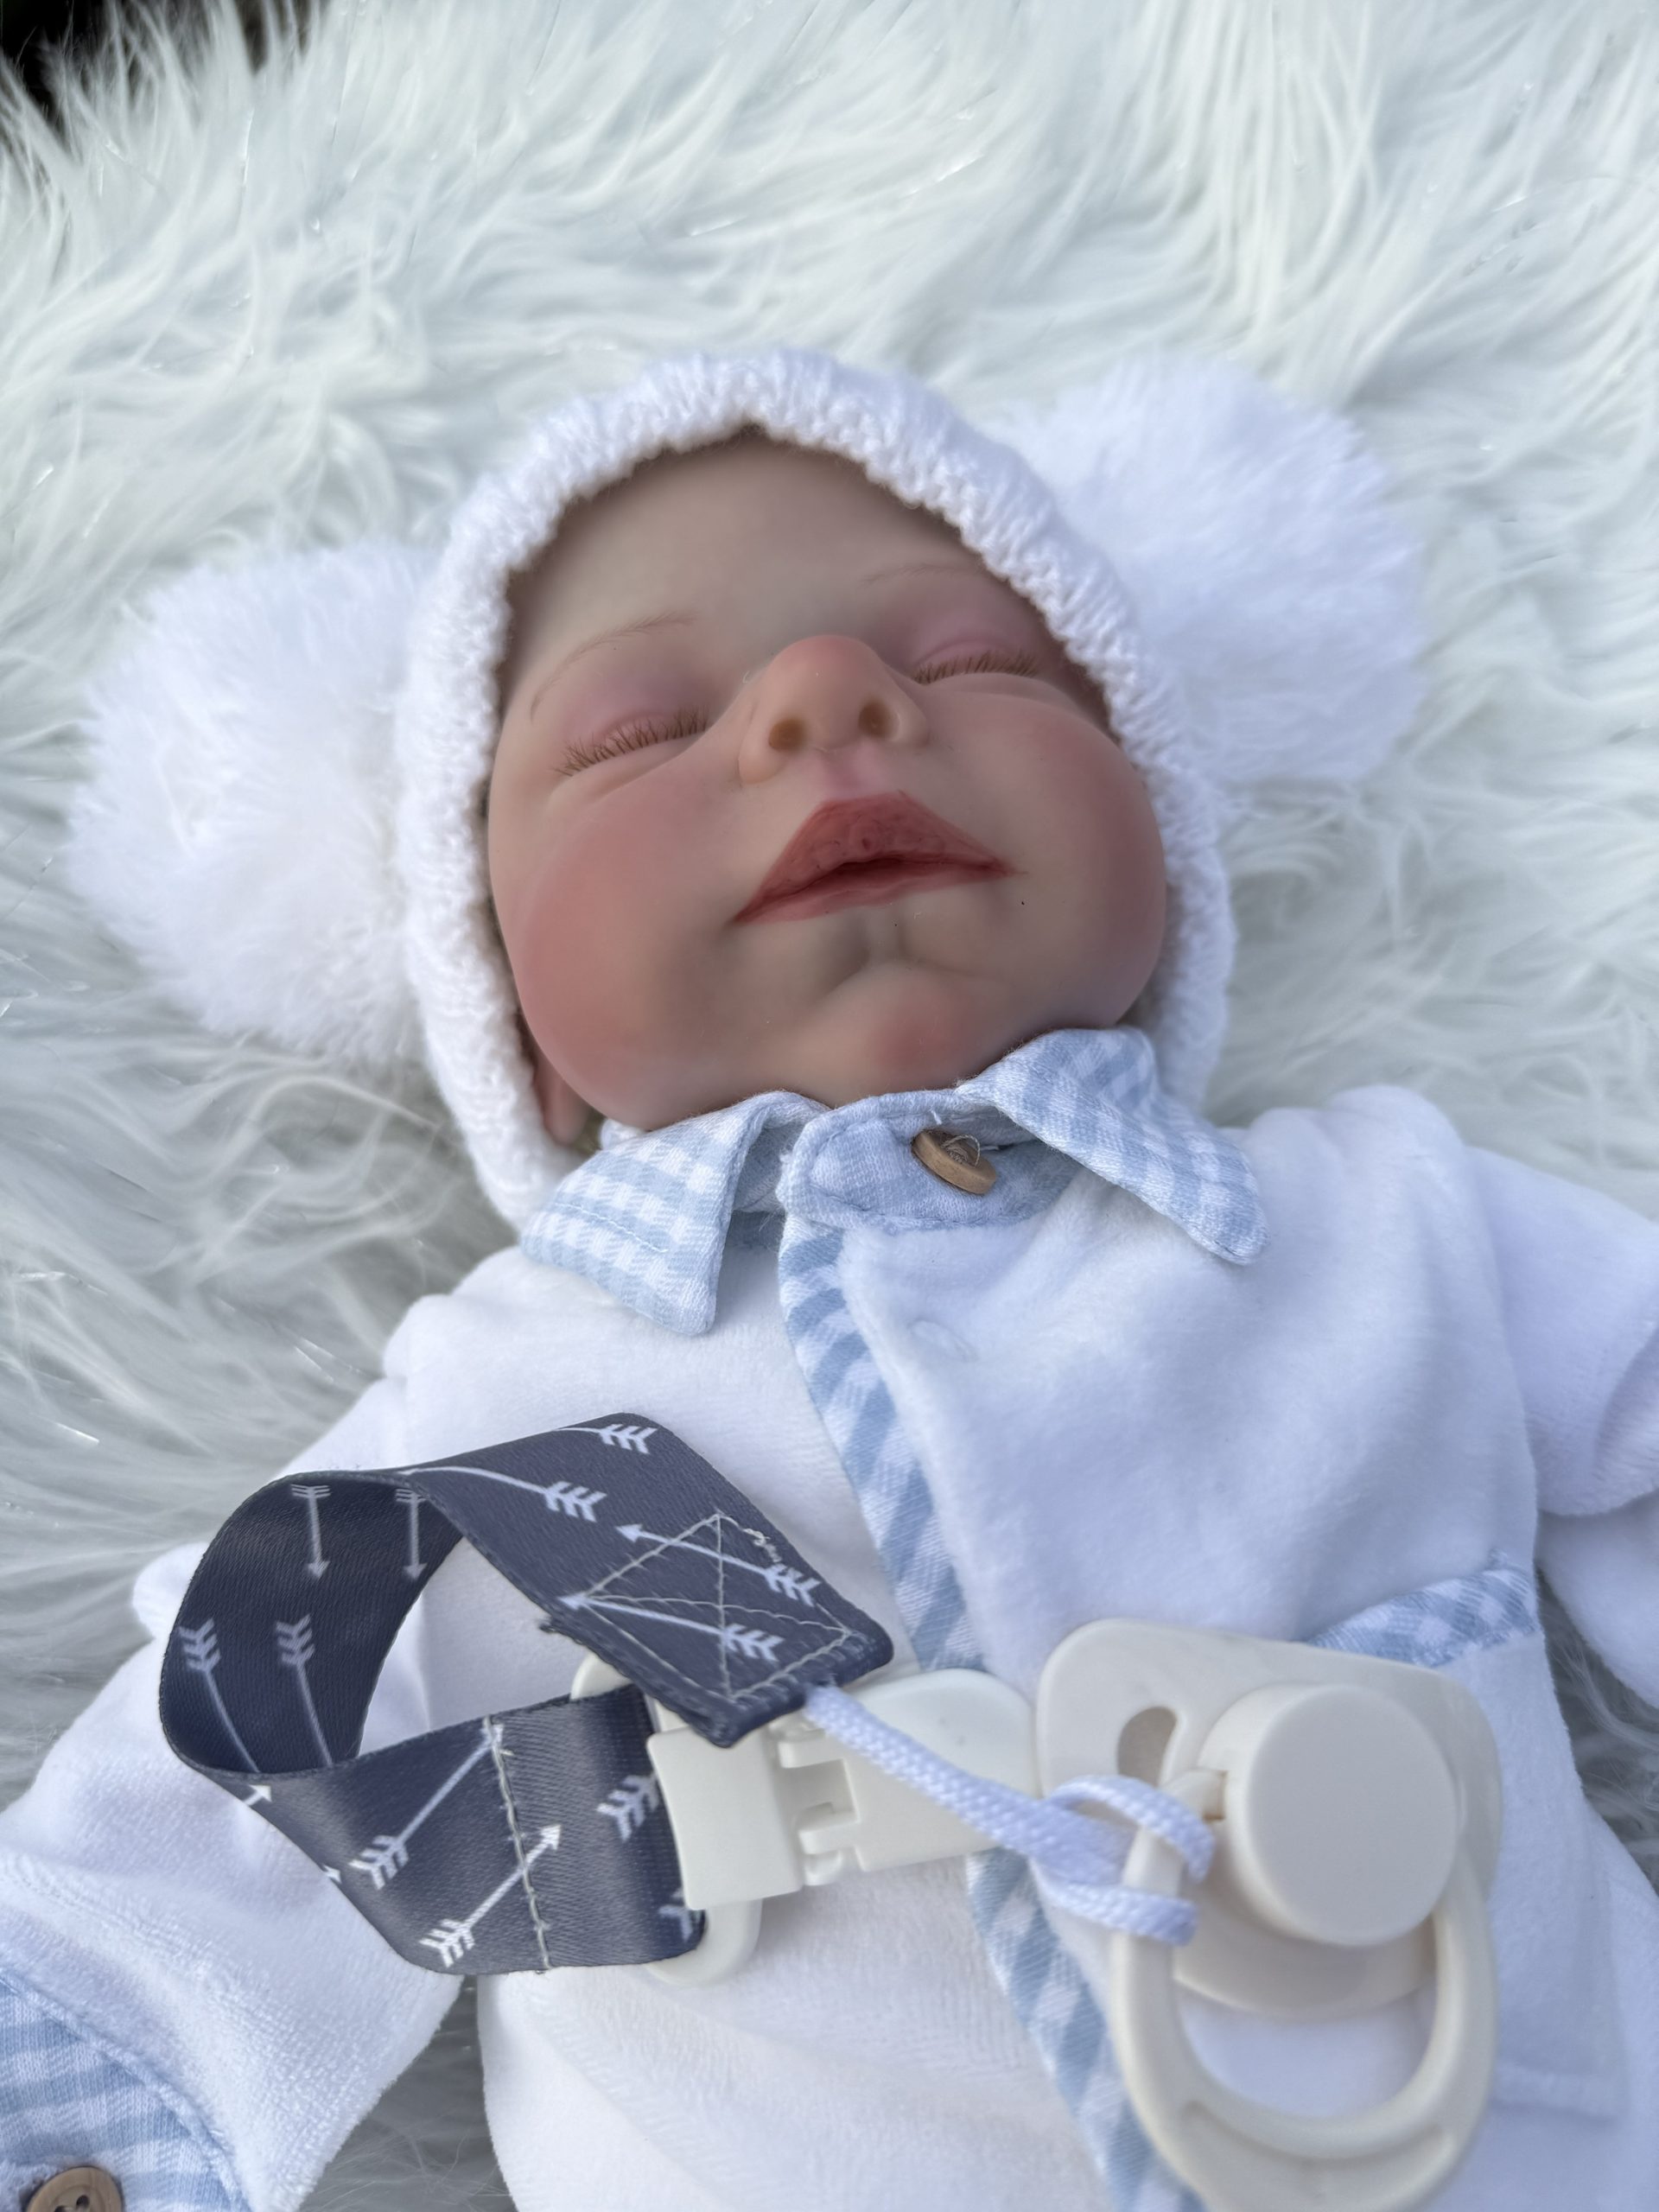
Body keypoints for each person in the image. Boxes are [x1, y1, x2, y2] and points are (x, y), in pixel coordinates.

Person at [5, 346, 1658, 2212]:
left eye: (978, 661)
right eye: (635, 732)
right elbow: (223, 1803)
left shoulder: (1385, 1220)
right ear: (509, 1010)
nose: (825, 694)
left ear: (1166, 835)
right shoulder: (496, 1404)